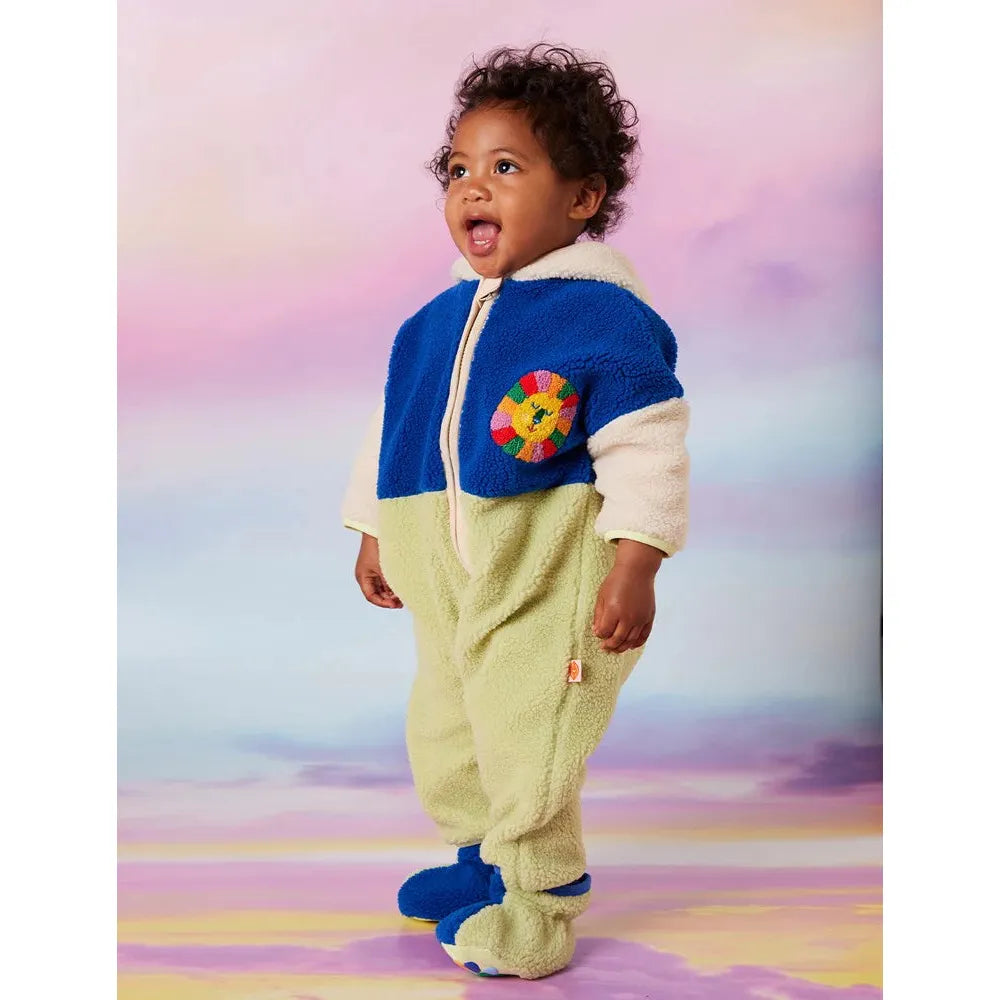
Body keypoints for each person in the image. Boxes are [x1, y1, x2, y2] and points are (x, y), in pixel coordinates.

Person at [340, 42, 690, 980]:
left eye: (505, 167)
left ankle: (537, 906)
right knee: (448, 728)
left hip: (546, 579)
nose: (474, 188)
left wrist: (637, 557)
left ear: (581, 197)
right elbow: (394, 430)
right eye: (459, 169)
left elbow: (648, 445)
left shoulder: (602, 319)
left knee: (528, 737)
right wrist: (374, 527)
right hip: (449, 580)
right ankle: (479, 864)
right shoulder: (428, 326)